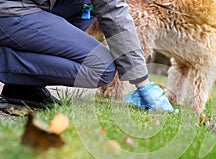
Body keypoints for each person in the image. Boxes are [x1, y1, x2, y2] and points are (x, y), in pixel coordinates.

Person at [0, 0, 175, 112]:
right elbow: (113, 9)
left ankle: (22, 87)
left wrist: (142, 82)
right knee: (101, 67)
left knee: (86, 7)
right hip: (9, 9)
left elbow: (112, 11)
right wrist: (143, 85)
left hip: (33, 7)